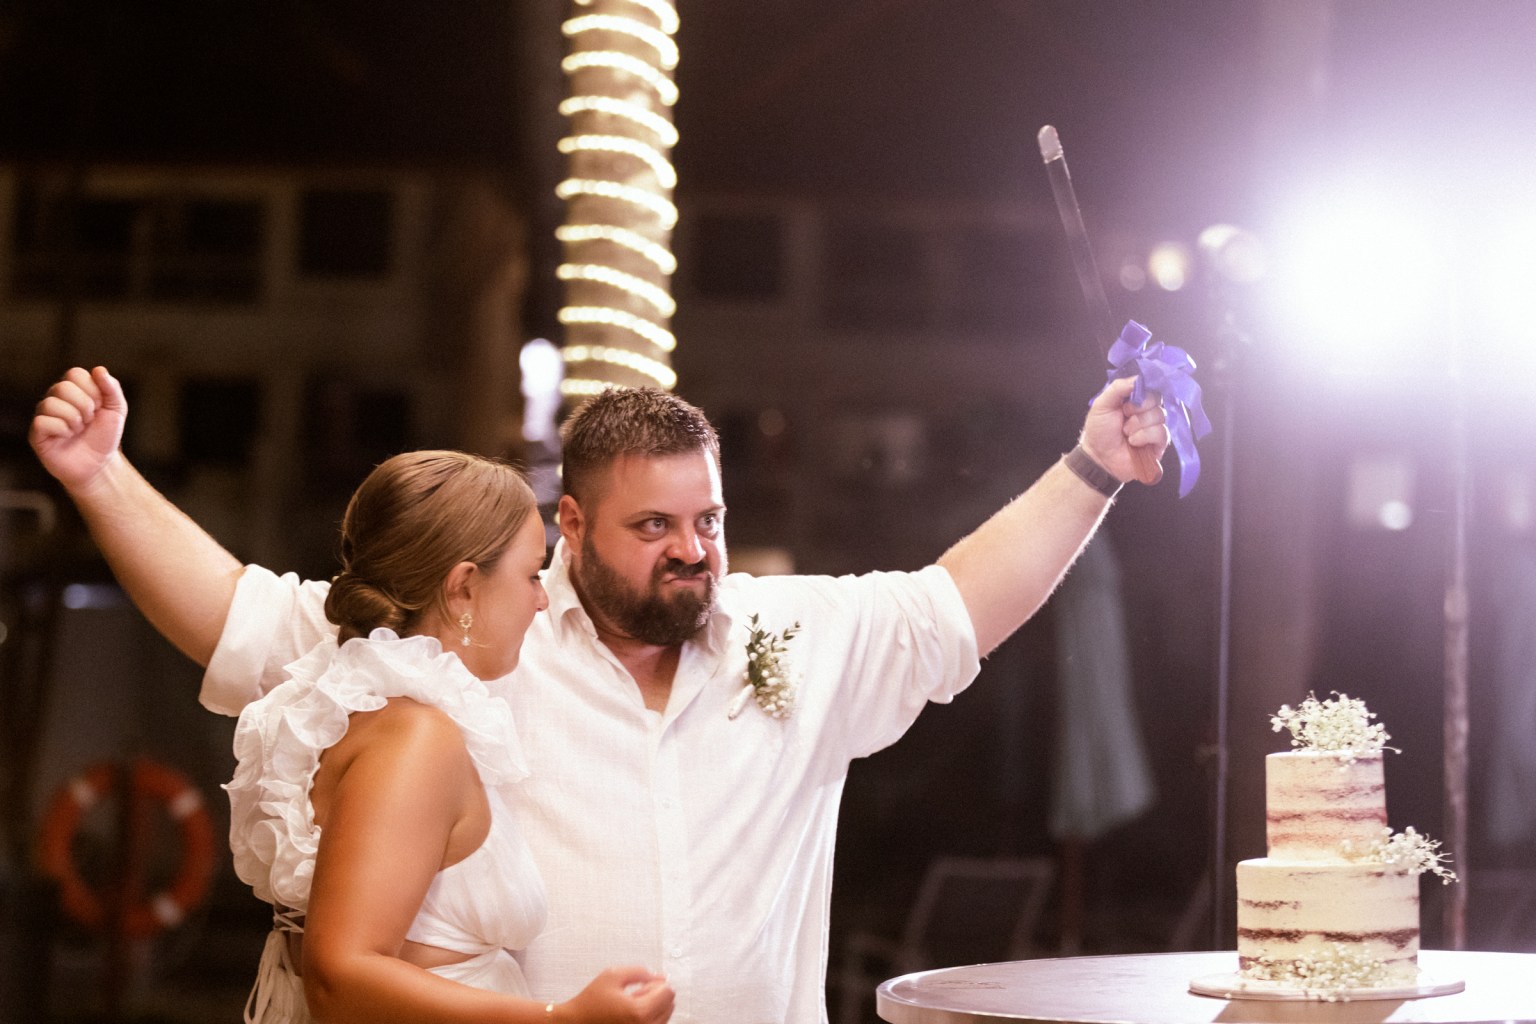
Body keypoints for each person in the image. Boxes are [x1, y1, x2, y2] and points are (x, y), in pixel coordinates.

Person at [31, 364, 1169, 1024]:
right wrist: (100, 476)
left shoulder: (796, 634)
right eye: (654, 526)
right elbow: (235, 612)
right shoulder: (465, 636)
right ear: (569, 525)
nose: (693, 550)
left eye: (709, 520)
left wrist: (1093, 468)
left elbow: (960, 600)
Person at [34, 393, 677, 1023]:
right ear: (462, 590)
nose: (541, 601)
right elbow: (341, 977)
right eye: (532, 574)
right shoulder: (416, 737)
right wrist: (563, 1019)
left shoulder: (381, 701)